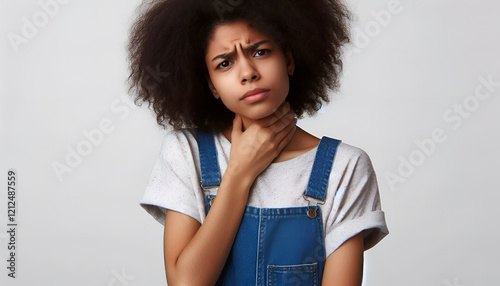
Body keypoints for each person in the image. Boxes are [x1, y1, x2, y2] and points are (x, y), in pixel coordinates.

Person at [128, 0, 389, 285]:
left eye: (261, 52)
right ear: (211, 84)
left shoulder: (345, 168)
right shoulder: (185, 153)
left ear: (288, 59)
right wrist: (240, 172)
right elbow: (185, 283)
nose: (248, 72)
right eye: (225, 63)